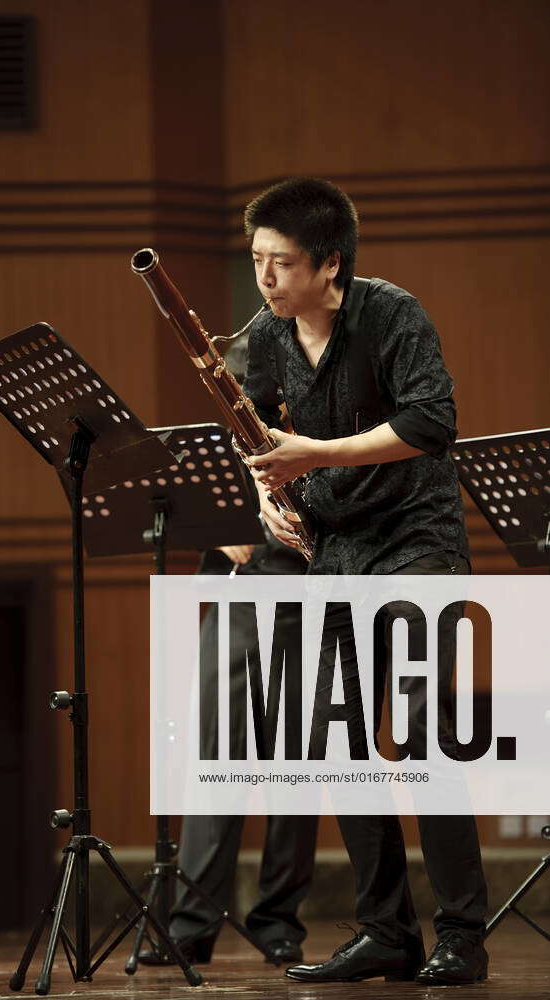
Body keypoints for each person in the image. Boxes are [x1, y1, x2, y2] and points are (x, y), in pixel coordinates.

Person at [240, 177, 488, 986]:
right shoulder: (269, 331)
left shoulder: (391, 313)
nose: (265, 278)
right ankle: (386, 931)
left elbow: (429, 422)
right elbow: (245, 423)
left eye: (279, 263)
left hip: (415, 538)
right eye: (256, 261)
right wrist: (263, 496)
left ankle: (461, 936)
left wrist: (311, 454)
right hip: (332, 548)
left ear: (329, 264)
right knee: (341, 741)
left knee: (422, 732)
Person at [140, 331, 318, 967]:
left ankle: (278, 921)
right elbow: (201, 496)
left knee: (295, 769)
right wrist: (224, 532)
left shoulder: (330, 414)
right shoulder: (230, 418)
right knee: (219, 759)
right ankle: (191, 922)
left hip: (311, 594)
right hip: (246, 595)